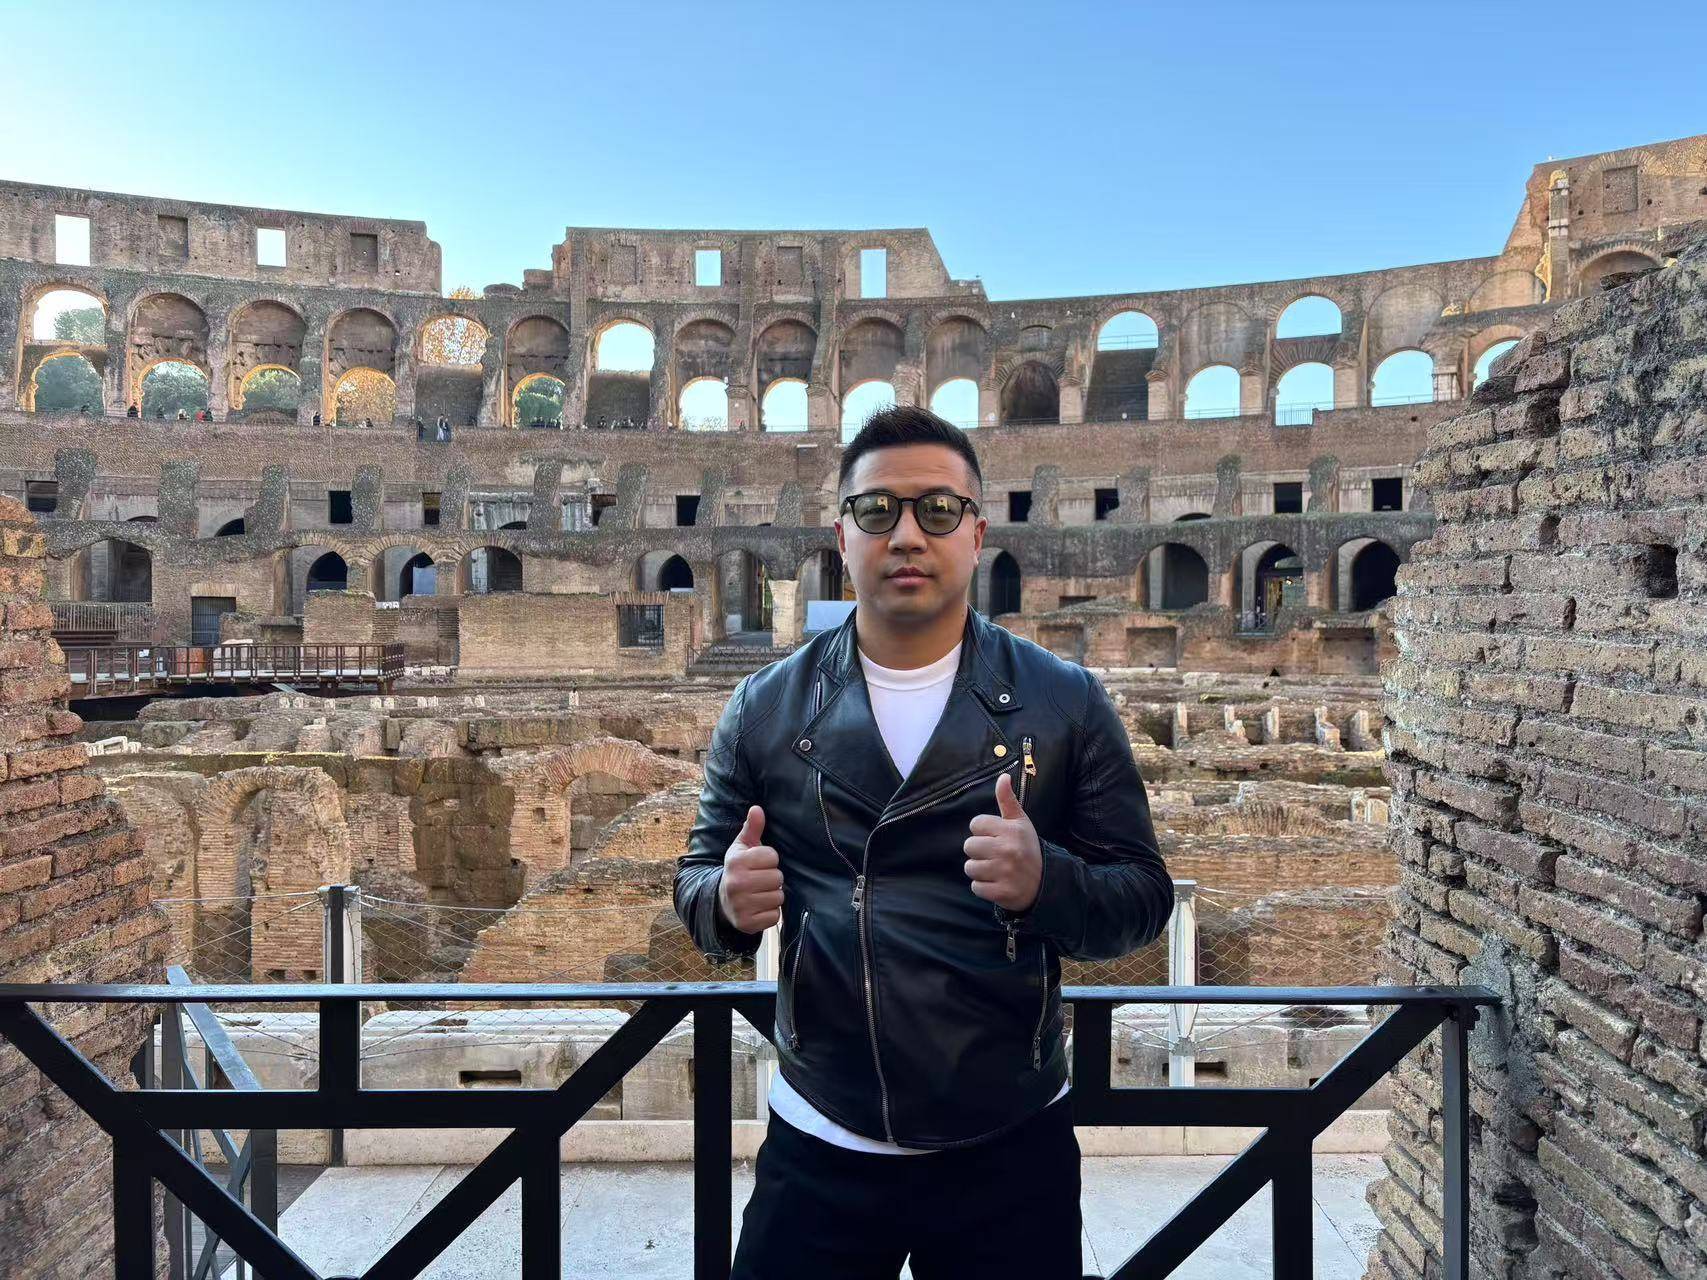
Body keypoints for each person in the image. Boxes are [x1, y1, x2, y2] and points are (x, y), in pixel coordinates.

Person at [674, 406, 1172, 1280]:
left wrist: (1047, 883)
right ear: (842, 535)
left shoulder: (1063, 702)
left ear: (977, 534)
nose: (906, 534)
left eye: (938, 510)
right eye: (877, 511)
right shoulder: (764, 706)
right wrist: (723, 899)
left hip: (1006, 1141)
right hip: (822, 1131)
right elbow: (694, 880)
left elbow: (1141, 897)